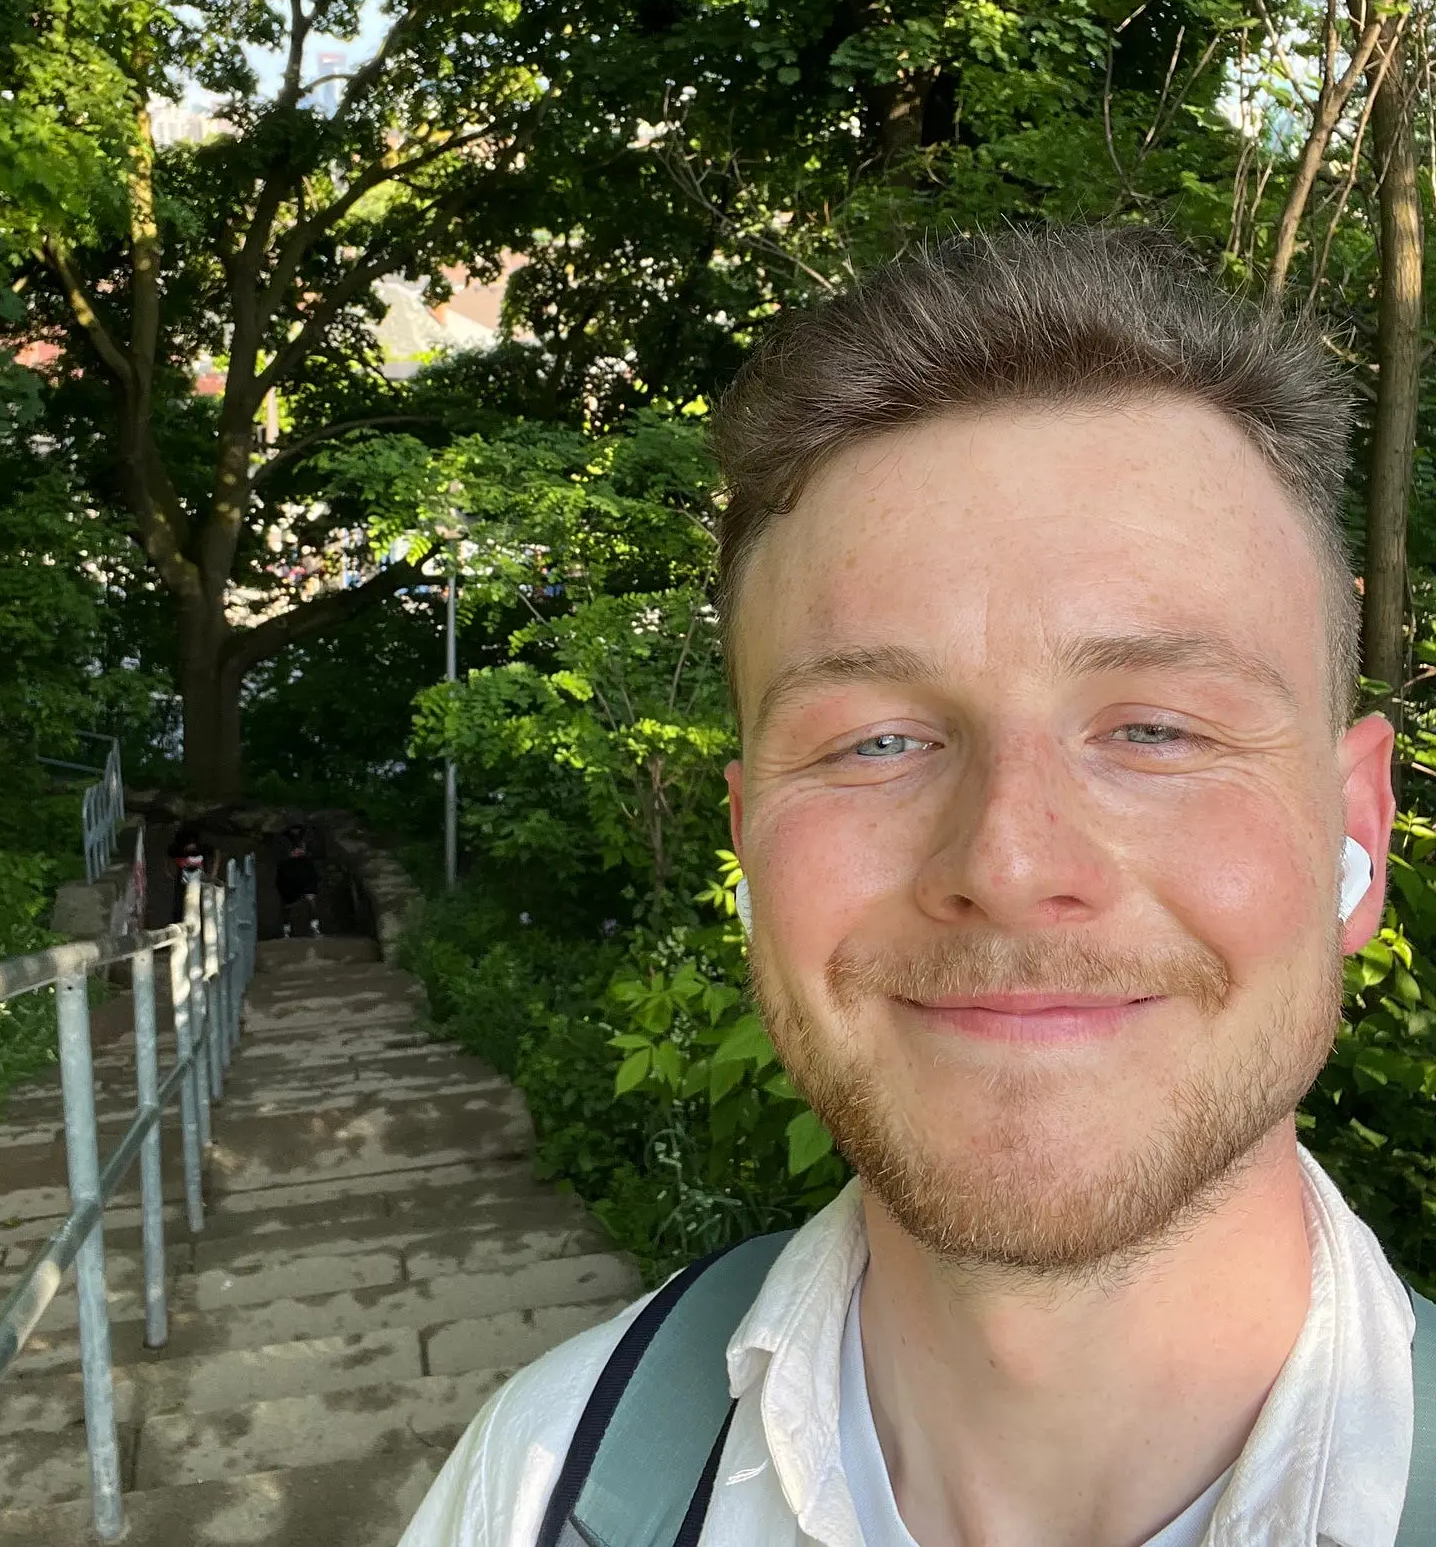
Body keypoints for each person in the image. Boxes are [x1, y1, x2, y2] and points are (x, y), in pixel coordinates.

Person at [397, 227, 1417, 1547]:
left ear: (1353, 834)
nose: (1008, 866)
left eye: (1156, 729)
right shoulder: (536, 1486)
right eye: (876, 742)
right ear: (752, 848)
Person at [276, 828, 322, 938]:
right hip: (290, 879)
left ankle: (314, 927)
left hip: (304, 878)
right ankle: (286, 930)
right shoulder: (285, 846)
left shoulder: (307, 859)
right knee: (287, 905)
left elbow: (313, 873)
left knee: (311, 901)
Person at [167, 820, 207, 926]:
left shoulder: (201, 849)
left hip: (199, 882)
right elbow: (168, 857)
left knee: (199, 904)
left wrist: (213, 874)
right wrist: (169, 871)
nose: (190, 848)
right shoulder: (178, 850)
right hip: (182, 882)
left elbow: (215, 852)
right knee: (180, 904)